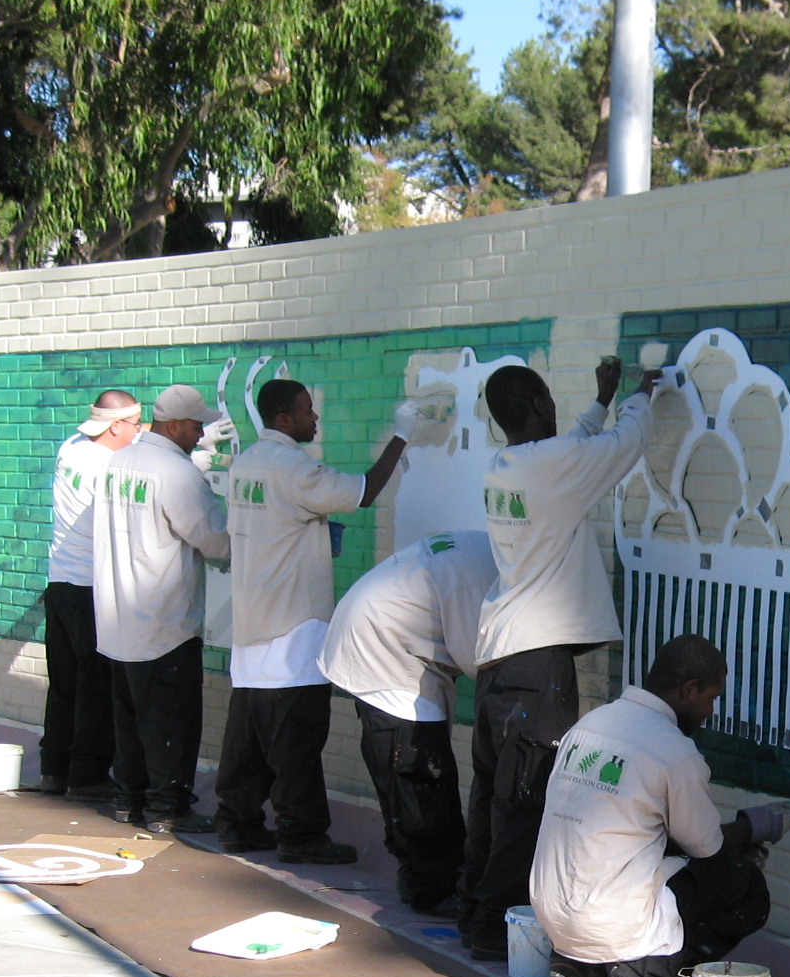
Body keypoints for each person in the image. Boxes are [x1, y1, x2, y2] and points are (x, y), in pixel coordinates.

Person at [459, 354, 656, 960]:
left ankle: (475, 915)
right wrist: (640, 395)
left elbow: (572, 450)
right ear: (540, 405)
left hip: (500, 659)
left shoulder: (508, 465)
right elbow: (626, 445)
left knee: (494, 796)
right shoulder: (551, 466)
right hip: (536, 666)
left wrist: (598, 401)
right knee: (527, 803)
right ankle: (497, 930)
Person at [533, 633, 790, 977]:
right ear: (689, 689)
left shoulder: (590, 724)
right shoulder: (673, 751)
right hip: (605, 918)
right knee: (741, 882)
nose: (710, 711)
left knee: (651, 857)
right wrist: (756, 826)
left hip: (553, 913)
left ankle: (584, 968)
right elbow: (708, 848)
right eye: (710, 698)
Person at [212, 380, 408, 864]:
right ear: (283, 420)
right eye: (306, 412)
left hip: (253, 623)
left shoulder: (248, 464)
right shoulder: (293, 467)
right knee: (295, 739)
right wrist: (402, 438)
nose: (314, 419)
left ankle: (238, 824)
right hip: (293, 626)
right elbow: (362, 492)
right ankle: (301, 836)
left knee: (248, 739)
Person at [319, 529, 496, 913]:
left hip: (374, 635)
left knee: (407, 775)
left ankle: (420, 873)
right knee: (421, 776)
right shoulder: (485, 576)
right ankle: (432, 889)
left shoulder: (481, 547)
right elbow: (478, 659)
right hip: (383, 650)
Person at [92, 383, 231, 834]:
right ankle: (168, 807)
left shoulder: (120, 460)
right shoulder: (175, 472)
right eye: (195, 427)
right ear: (173, 426)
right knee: (170, 724)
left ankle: (128, 800)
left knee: (129, 722)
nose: (199, 434)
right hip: (164, 622)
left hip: (118, 619)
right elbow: (214, 541)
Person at [37, 390, 141, 798]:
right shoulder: (111, 467)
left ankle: (53, 769)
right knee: (96, 686)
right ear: (116, 426)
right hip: (91, 590)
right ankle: (89, 776)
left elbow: (124, 429)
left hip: (59, 585)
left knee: (63, 685)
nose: (139, 429)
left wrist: (145, 428)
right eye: (135, 423)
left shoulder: (72, 447)